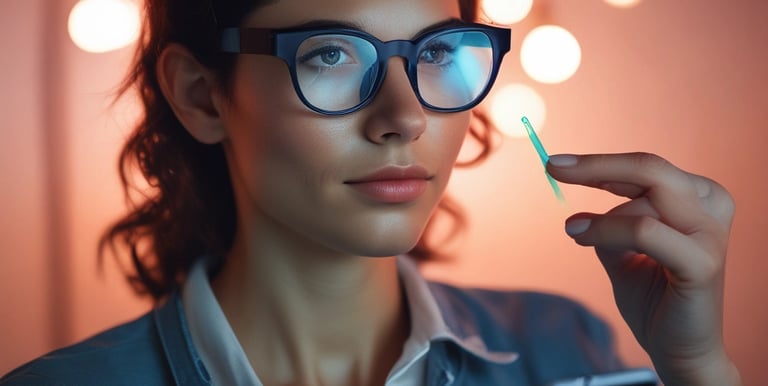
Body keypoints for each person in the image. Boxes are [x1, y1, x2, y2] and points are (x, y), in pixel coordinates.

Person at [1, 0, 743, 385]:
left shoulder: (566, 350)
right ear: (201, 96)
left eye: (440, 52)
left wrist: (699, 370)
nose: (404, 117)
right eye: (330, 55)